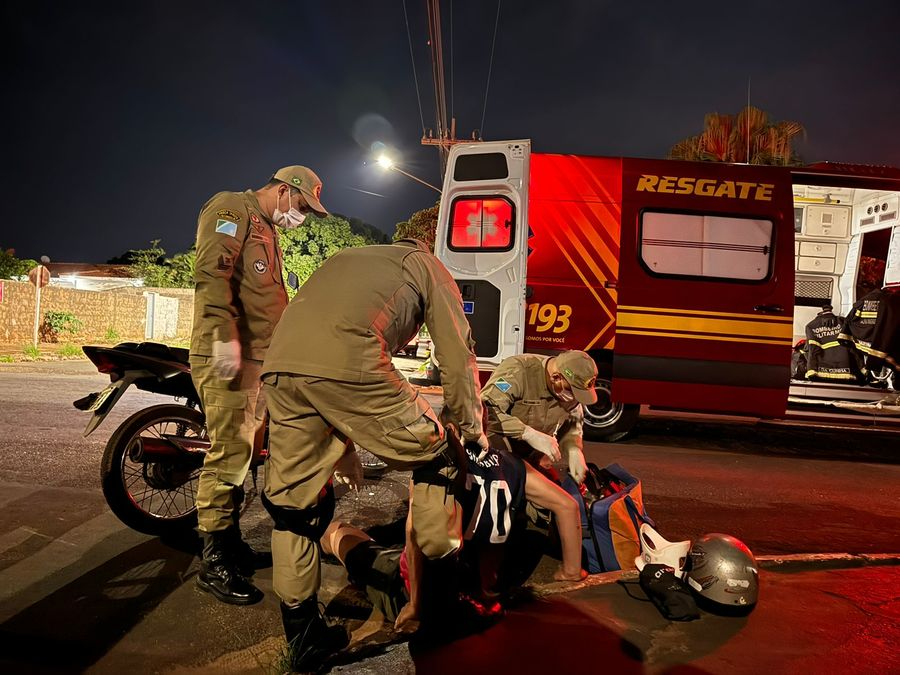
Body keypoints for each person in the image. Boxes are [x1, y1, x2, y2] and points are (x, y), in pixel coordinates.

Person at [259, 239, 486, 672]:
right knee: (440, 458)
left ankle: (304, 641)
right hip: (350, 359)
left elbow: (322, 348)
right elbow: (457, 354)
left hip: (281, 364)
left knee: (294, 511)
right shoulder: (428, 266)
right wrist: (468, 431)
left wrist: (343, 446)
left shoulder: (346, 257)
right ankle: (439, 610)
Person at [189, 166, 328, 606]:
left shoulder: (265, 227)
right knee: (229, 454)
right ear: (285, 190)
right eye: (301, 206)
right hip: (231, 356)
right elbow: (212, 275)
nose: (300, 216)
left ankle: (229, 544)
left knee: (245, 454)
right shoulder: (232, 208)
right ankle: (212, 562)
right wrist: (223, 335)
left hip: (259, 360)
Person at [480, 350, 598, 580]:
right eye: (573, 391)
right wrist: (527, 433)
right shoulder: (519, 371)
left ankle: (561, 559)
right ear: (556, 377)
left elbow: (573, 424)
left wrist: (574, 448)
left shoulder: (568, 390)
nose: (574, 398)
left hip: (529, 453)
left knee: (555, 502)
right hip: (493, 450)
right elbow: (485, 412)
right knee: (561, 504)